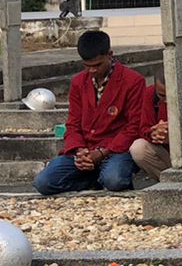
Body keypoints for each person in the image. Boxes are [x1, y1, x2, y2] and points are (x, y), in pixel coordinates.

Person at [34, 30, 147, 194]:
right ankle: (92, 180)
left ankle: (100, 177)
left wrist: (103, 152)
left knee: (114, 180)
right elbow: (73, 124)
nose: (92, 70)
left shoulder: (133, 81)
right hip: (86, 148)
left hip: (116, 149)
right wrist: (80, 151)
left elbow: (134, 126)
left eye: (97, 65)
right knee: (43, 182)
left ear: (110, 55)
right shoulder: (78, 82)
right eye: (87, 66)